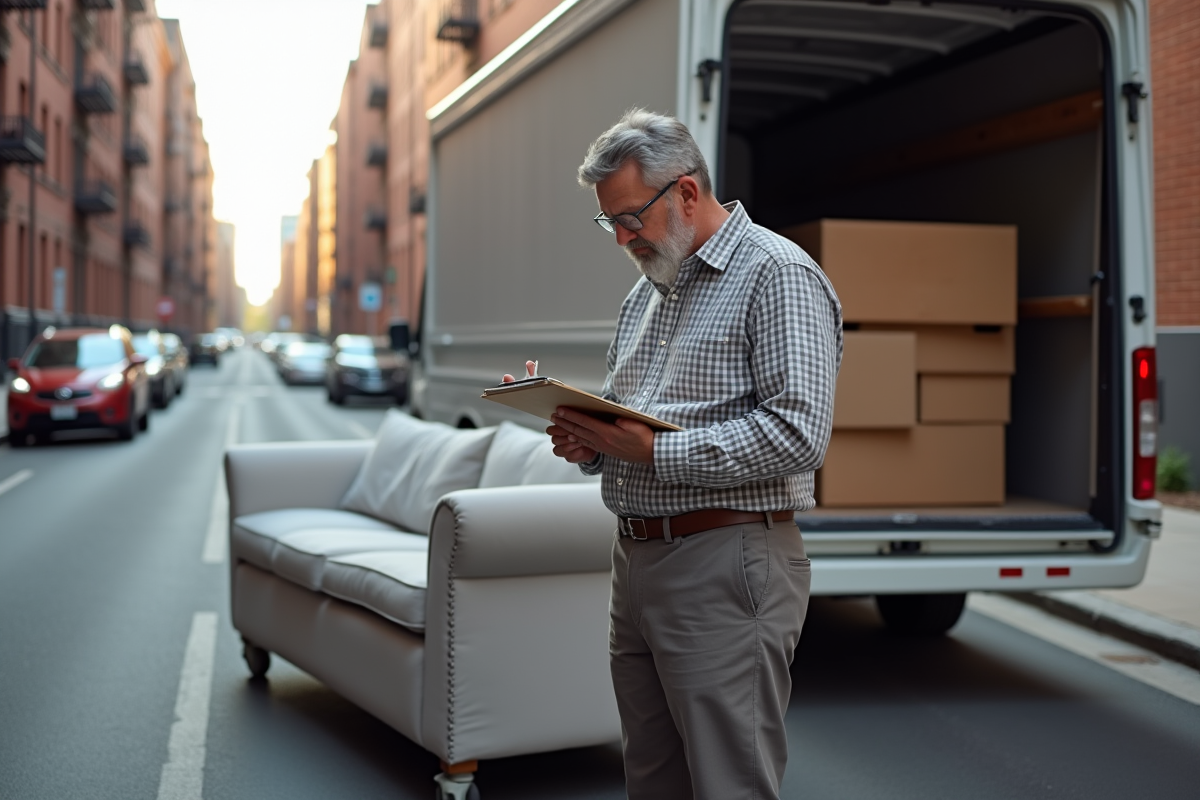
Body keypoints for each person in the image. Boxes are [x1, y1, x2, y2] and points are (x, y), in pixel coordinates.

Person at [503, 109, 841, 799]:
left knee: (728, 782)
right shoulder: (647, 292)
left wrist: (657, 453)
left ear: (687, 192)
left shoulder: (778, 275)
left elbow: (799, 433)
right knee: (652, 779)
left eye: (632, 217)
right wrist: (588, 441)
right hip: (639, 561)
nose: (623, 238)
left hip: (728, 561)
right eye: (610, 223)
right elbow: (632, 427)